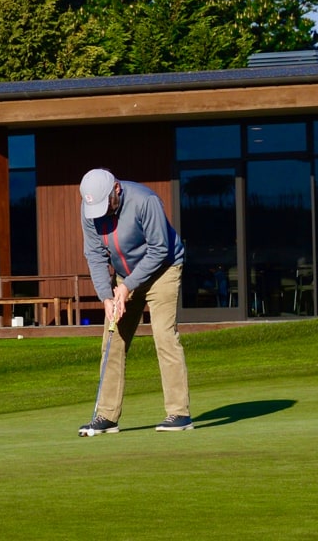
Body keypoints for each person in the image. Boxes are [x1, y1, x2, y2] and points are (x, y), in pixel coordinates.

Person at [76, 168, 191, 436]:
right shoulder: (90, 209)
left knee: (164, 336)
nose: (102, 213)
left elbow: (159, 249)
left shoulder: (144, 201)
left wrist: (126, 287)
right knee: (112, 340)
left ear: (116, 188)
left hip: (163, 270)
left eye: (107, 205)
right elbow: (94, 255)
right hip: (125, 278)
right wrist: (106, 296)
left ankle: (180, 413)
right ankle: (106, 416)